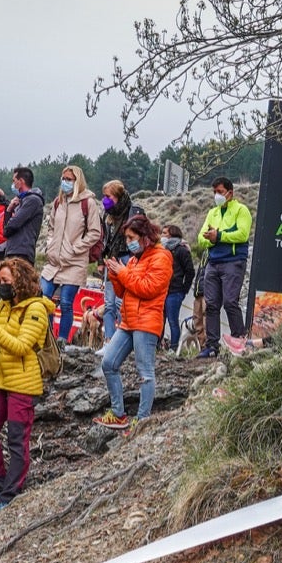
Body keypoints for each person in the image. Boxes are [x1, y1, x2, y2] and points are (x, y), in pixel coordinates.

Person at [0, 258, 53, 514]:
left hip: (24, 385)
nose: (2, 286)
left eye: (6, 281)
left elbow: (21, 347)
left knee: (17, 440)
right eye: (0, 281)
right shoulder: (4, 305)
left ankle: (10, 494)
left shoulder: (36, 310)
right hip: (1, 380)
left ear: (21, 280)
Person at [93, 214, 171, 431]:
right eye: (126, 238)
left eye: (131, 237)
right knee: (108, 363)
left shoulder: (161, 257)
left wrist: (123, 272)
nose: (128, 242)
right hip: (128, 321)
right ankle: (118, 414)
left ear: (145, 236)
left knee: (145, 373)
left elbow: (148, 289)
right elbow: (125, 290)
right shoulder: (137, 258)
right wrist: (116, 275)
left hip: (146, 322)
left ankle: (142, 421)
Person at [39, 164, 102, 343]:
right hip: (53, 261)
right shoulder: (59, 202)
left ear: (77, 181)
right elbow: (51, 226)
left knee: (66, 303)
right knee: (44, 299)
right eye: (63, 179)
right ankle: (47, 338)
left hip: (74, 262)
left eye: (69, 179)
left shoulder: (87, 203)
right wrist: (50, 244)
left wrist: (76, 248)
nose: (65, 182)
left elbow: (95, 232)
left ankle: (61, 341)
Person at [198, 177, 252, 358]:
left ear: (230, 192)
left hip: (233, 261)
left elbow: (243, 235)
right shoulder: (212, 212)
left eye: (219, 192)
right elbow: (200, 238)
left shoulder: (241, 210)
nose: (216, 195)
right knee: (211, 305)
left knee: (230, 302)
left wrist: (218, 236)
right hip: (213, 263)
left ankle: (240, 341)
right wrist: (211, 237)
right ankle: (212, 346)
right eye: (214, 192)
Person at [98, 180, 146, 342]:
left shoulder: (133, 212)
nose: (105, 200)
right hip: (112, 257)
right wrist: (100, 259)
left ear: (118, 196)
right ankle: (109, 340)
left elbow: (142, 236)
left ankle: (123, 339)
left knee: (122, 302)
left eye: (108, 196)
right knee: (109, 303)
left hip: (128, 256)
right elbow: (103, 238)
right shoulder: (107, 214)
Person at [162, 224, 196, 351]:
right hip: (162, 291)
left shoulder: (182, 250)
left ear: (173, 234)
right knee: (160, 320)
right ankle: (158, 345)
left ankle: (174, 347)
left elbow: (190, 271)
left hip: (175, 292)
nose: (162, 236)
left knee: (172, 320)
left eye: (165, 233)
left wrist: (184, 290)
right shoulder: (163, 250)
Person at [3, 167, 44, 265]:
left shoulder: (32, 200)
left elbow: (13, 225)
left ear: (21, 181)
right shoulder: (21, 202)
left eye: (14, 181)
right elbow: (5, 230)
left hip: (21, 253)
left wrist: (8, 226)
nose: (13, 185)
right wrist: (9, 210)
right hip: (13, 251)